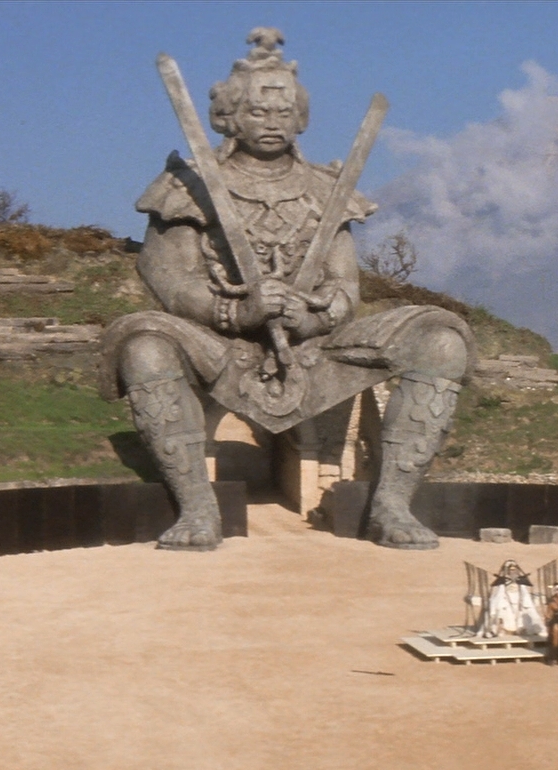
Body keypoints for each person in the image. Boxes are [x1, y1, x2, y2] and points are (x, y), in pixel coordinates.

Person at [99, 28, 474, 551]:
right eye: (256, 112)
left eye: (282, 112)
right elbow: (168, 280)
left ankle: (392, 506)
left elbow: (345, 285)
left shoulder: (327, 189)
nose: (271, 122)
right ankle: (197, 509)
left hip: (314, 347)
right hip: (222, 345)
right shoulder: (186, 189)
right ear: (229, 117)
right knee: (143, 348)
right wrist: (238, 313)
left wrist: (314, 317)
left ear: (300, 117)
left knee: (440, 340)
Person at [478, 559, 547, 638]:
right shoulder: (503, 581)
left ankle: (521, 629)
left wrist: (523, 600)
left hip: (518, 602)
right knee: (501, 612)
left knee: (526, 614)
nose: (513, 572)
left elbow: (525, 592)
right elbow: (499, 593)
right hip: (506, 601)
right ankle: (500, 629)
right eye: (511, 570)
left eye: (514, 570)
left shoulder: (521, 581)